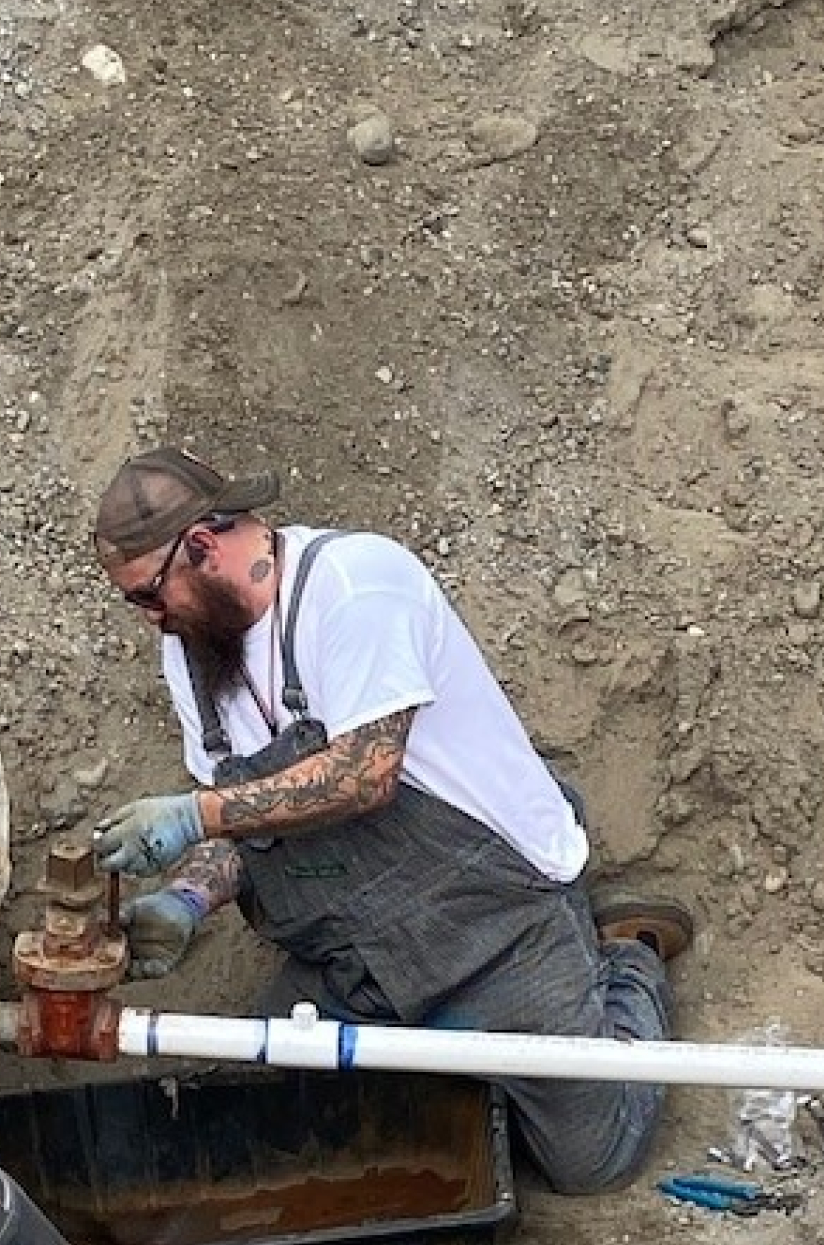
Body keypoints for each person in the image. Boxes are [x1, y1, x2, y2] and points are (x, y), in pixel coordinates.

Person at [88, 445, 694, 1193]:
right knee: (276, 1132)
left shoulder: (355, 586)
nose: (152, 622)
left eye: (149, 597)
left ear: (203, 548)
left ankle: (622, 954)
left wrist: (195, 814)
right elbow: (248, 823)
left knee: (588, 1165)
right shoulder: (196, 657)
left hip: (493, 931)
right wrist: (188, 898)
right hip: (356, 963)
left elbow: (364, 775)